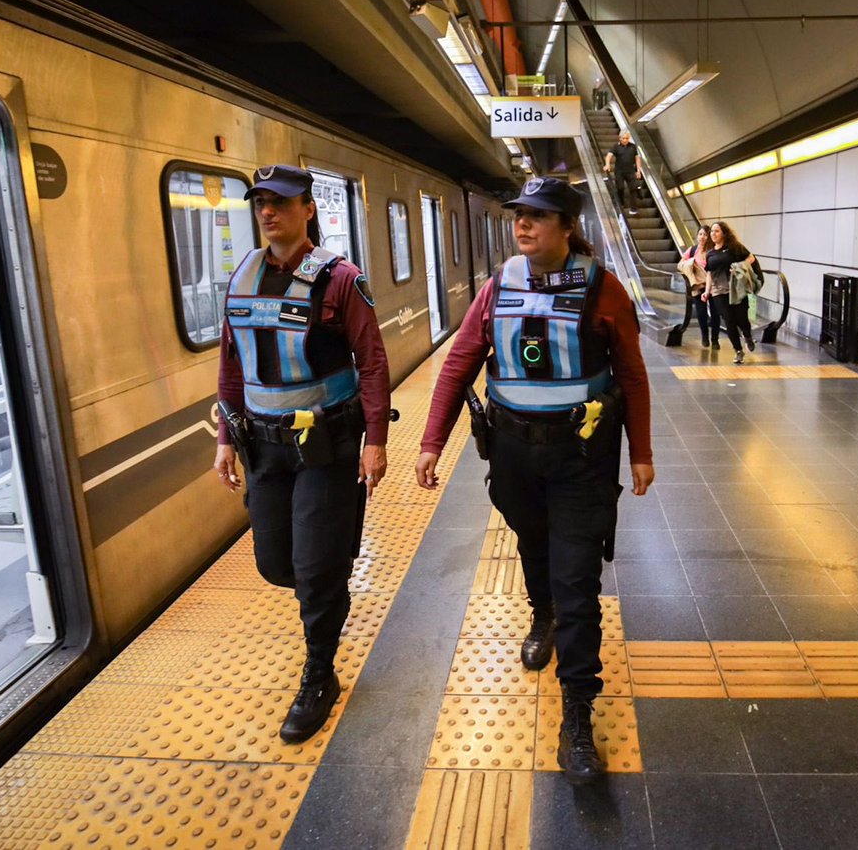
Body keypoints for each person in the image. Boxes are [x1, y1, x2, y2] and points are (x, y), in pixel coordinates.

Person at [414, 177, 654, 786]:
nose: (524, 225)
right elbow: (460, 362)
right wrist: (430, 441)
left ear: (567, 227)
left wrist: (642, 453)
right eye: (520, 215)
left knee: (579, 581)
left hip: (581, 458)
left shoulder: (603, 290)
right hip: (516, 455)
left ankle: (577, 714)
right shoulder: (497, 288)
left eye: (538, 217)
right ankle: (540, 613)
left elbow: (632, 374)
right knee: (534, 545)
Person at [213, 164, 389, 744]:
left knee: (313, 571)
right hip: (264, 448)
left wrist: (376, 441)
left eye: (282, 202)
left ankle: (320, 671)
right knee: (276, 564)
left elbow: (373, 359)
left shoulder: (340, 279)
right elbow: (231, 364)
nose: (269, 211)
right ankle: (327, 575)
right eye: (261, 202)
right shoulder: (242, 276)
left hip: (325, 445)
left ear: (308, 209)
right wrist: (225, 440)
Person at [702, 221, 757, 364]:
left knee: (742, 319)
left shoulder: (734, 248)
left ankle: (747, 335)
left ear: (724, 233)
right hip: (718, 292)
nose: (713, 234)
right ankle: (738, 351)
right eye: (712, 232)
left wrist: (739, 267)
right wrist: (707, 291)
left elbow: (751, 258)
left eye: (717, 231)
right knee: (729, 321)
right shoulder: (710, 254)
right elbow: (709, 274)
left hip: (736, 290)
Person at [678, 226, 713, 347]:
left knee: (715, 311)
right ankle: (705, 335)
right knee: (701, 311)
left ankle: (715, 338)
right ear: (697, 236)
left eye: (705, 234)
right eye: (700, 234)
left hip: (712, 284)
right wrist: (690, 263)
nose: (702, 237)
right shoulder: (692, 250)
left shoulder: (712, 250)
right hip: (697, 285)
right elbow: (681, 263)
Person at [603, 131, 642, 212]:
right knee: (620, 188)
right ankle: (621, 203)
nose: (625, 140)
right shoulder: (616, 146)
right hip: (619, 172)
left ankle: (633, 208)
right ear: (620, 138)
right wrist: (607, 164)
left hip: (630, 171)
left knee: (633, 189)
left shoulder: (633, 146)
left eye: (627, 138)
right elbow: (609, 156)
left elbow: (637, 158)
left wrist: (638, 170)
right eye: (623, 138)